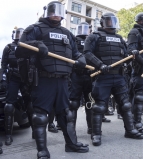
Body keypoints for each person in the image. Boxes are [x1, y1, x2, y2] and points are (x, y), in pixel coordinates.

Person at [15, 1, 89, 158]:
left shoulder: (67, 33)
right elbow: (19, 50)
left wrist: (81, 58)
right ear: (47, 12)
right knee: (40, 116)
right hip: (43, 79)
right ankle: (42, 151)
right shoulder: (35, 29)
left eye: (59, 11)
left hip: (62, 80)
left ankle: (71, 144)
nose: (56, 14)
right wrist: (36, 44)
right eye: (53, 11)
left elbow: (75, 53)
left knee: (66, 114)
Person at [84, 12, 143, 146]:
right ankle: (96, 134)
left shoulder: (119, 38)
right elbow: (87, 53)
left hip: (118, 76)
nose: (112, 24)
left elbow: (126, 53)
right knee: (99, 107)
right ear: (103, 23)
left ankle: (130, 130)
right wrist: (100, 65)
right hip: (102, 76)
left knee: (126, 105)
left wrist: (132, 53)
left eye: (113, 21)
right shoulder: (94, 37)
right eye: (109, 21)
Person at [1, 27, 33, 145]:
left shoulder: (29, 47)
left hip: (25, 79)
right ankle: (8, 135)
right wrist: (3, 79)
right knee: (9, 106)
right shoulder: (8, 48)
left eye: (21, 33)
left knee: (30, 104)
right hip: (13, 78)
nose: (19, 36)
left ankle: (35, 131)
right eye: (17, 33)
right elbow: (4, 64)